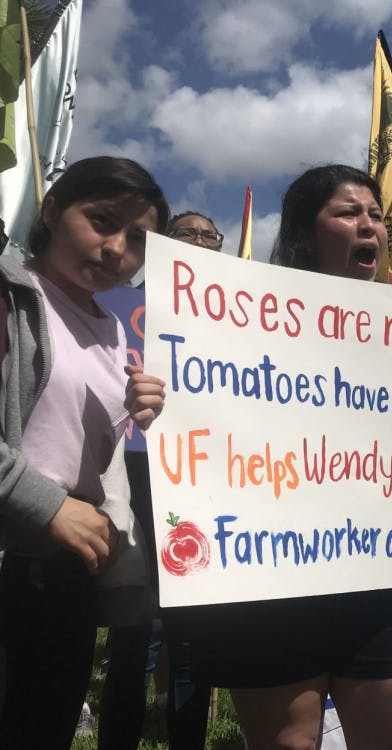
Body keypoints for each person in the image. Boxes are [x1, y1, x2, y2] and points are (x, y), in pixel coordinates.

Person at [180, 164, 392, 750]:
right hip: (270, 579)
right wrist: (159, 404)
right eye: (348, 213)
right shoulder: (236, 318)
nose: (370, 226)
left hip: (378, 582)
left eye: (376, 215)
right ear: (306, 233)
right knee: (289, 742)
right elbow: (205, 414)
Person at [0, 156, 168, 749]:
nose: (117, 247)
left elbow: (68, 437)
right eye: (101, 220)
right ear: (50, 210)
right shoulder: (11, 294)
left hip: (59, 575)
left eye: (139, 239)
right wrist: (47, 505)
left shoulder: (113, 330)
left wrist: (135, 408)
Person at [99, 211, 223, 750]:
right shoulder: (118, 314)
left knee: (194, 642)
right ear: (158, 246)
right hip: (139, 486)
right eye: (187, 234)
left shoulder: (238, 320)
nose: (200, 242)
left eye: (209, 236)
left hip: (212, 489)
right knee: (136, 634)